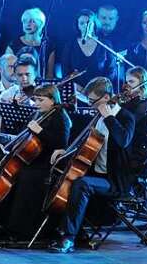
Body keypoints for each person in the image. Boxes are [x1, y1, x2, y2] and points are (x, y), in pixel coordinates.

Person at [51, 76, 137, 253]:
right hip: (98, 174)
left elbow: (123, 141)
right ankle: (72, 232)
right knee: (63, 178)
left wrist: (108, 117)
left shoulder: (126, 117)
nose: (90, 105)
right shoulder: (97, 117)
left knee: (82, 184)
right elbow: (86, 143)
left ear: (106, 98)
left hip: (115, 180)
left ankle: (68, 237)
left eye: (93, 101)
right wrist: (65, 151)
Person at [0, 83, 71, 240]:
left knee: (23, 177)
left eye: (40, 100)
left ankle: (20, 230)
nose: (36, 104)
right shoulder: (39, 114)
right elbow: (24, 134)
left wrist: (40, 132)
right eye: (35, 100)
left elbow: (60, 144)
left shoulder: (60, 117)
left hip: (46, 164)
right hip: (32, 160)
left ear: (52, 100)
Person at [7, 7, 57, 79]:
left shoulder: (48, 45)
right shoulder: (13, 44)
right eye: (25, 21)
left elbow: (50, 74)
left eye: (31, 21)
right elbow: (9, 71)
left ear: (40, 23)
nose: (27, 24)